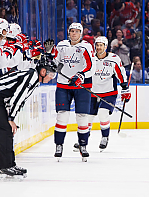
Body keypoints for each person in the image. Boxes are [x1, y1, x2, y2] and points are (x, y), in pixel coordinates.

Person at [0, 55, 57, 180]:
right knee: (4, 130)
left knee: (6, 131)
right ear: (43, 71)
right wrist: (11, 118)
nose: (51, 78)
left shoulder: (35, 79)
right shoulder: (31, 76)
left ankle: (9, 164)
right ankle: (5, 166)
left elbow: (19, 99)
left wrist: (11, 117)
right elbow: (18, 97)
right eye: (51, 75)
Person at [45, 23, 96, 162]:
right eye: (72, 31)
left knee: (82, 117)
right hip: (63, 85)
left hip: (82, 86)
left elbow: (91, 66)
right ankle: (59, 145)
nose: (74, 33)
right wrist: (50, 54)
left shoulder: (86, 46)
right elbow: (55, 65)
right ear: (69, 32)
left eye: (77, 31)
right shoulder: (61, 46)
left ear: (81, 33)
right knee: (62, 116)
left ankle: (83, 145)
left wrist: (80, 76)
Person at [74, 36, 130, 151]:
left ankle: (105, 137)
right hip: (92, 92)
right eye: (97, 45)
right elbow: (83, 71)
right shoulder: (91, 58)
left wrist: (125, 88)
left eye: (101, 45)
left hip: (108, 92)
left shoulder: (114, 59)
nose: (99, 47)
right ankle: (83, 140)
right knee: (87, 118)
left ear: (106, 46)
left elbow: (121, 73)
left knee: (103, 113)